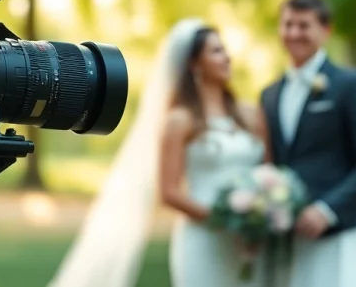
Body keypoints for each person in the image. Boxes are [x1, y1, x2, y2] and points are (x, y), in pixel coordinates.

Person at [48, 18, 270, 287]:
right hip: (204, 239)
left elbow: (268, 170)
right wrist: (226, 222)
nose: (227, 58)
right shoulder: (180, 120)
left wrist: (260, 215)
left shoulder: (250, 114)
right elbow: (169, 192)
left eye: (224, 49)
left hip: (250, 241)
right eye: (216, 51)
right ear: (194, 64)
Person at [259, 0, 356, 287]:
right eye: (288, 24)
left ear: (326, 31)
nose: (294, 33)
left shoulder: (350, 84)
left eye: (304, 25)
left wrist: (327, 210)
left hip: (345, 233)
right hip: (294, 238)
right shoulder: (269, 95)